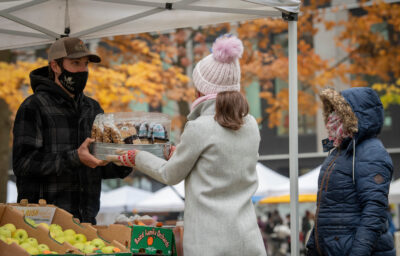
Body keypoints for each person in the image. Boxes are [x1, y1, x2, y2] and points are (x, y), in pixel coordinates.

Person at [109, 35, 267, 256]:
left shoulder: (199, 127)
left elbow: (169, 174)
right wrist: (181, 154)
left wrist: (136, 157)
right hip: (248, 240)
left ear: (202, 90)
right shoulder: (250, 124)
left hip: (208, 243)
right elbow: (221, 163)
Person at [12, 37, 132, 224]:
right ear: (55, 66)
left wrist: (124, 160)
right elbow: (23, 164)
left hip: (86, 222)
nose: (82, 70)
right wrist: (75, 157)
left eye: (85, 64)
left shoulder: (93, 108)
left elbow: (98, 165)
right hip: (43, 225)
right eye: (75, 63)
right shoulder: (34, 106)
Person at [306, 87, 395, 255]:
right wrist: (314, 246)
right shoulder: (339, 151)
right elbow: (326, 209)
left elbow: (374, 211)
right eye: (332, 111)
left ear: (353, 116)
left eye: (339, 112)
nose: (333, 117)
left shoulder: (371, 152)